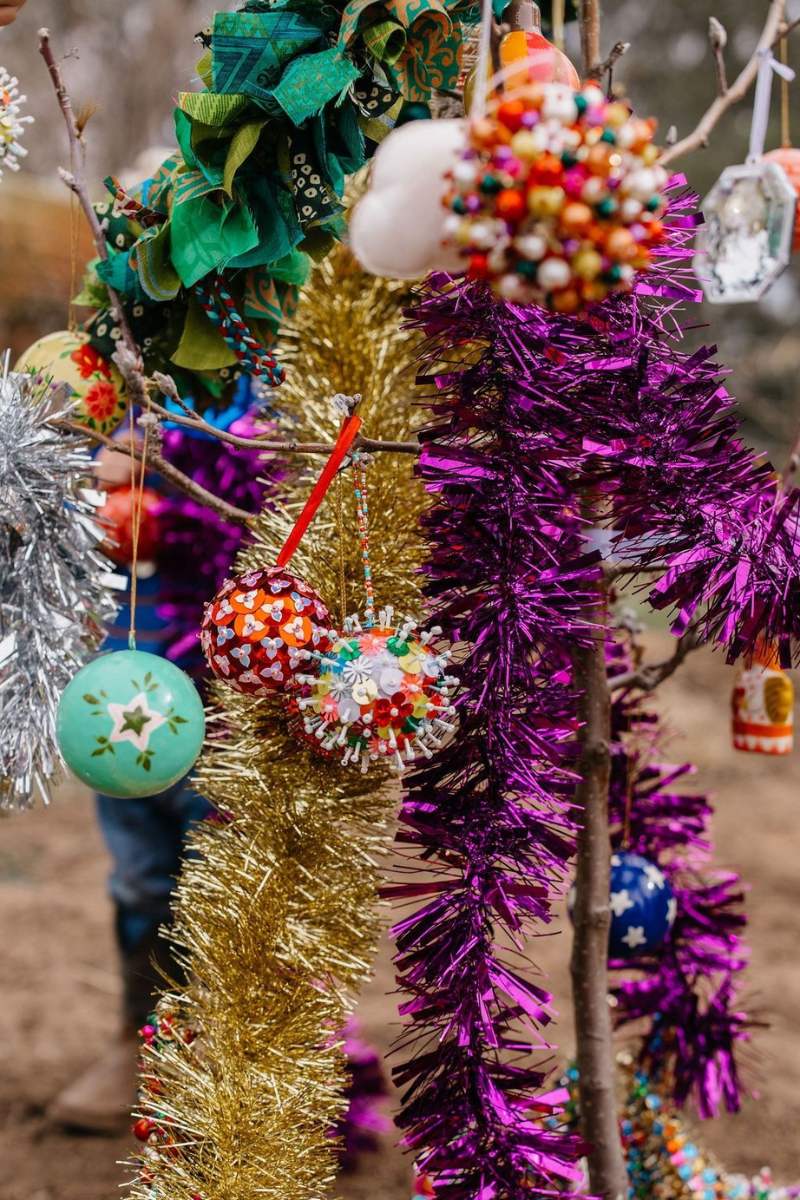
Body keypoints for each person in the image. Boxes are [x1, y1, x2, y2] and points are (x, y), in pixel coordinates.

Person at [48, 437, 212, 1133]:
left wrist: (171, 472)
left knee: (232, 875)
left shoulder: (261, 396)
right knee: (142, 874)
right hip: (124, 683)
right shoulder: (125, 384)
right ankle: (139, 1043)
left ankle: (239, 1064)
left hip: (231, 670)